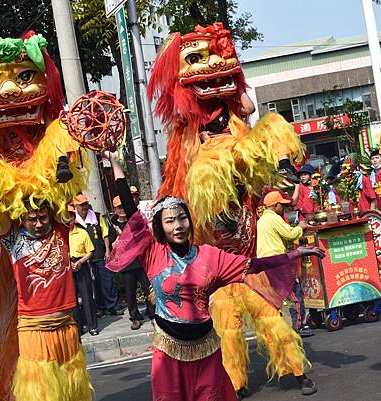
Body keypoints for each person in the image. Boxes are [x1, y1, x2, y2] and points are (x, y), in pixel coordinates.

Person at [105, 151, 325, 401]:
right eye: (169, 221)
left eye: (181, 219)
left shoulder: (210, 256)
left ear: (190, 220)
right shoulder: (153, 253)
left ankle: (297, 372)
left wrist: (294, 254)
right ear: (160, 227)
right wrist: (115, 164)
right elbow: (133, 215)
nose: (177, 226)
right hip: (168, 352)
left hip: (206, 349)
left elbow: (253, 265)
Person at [0, 201, 92, 400]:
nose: (39, 224)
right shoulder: (13, 238)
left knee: (70, 386)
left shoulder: (60, 230)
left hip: (66, 324)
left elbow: (63, 195)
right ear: (21, 219)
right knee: (40, 389)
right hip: (33, 327)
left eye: (43, 218)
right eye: (32, 220)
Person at [258, 190, 315, 339]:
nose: (283, 208)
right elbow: (290, 234)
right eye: (281, 205)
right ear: (275, 205)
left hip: (265, 263)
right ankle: (300, 326)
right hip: (278, 262)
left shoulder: (261, 220)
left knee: (276, 298)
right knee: (294, 293)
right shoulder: (273, 219)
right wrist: (301, 227)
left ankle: (276, 329)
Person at [73, 194, 123, 317]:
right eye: (81, 205)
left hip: (99, 253)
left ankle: (113, 306)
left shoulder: (96, 216)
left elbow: (105, 234)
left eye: (85, 204)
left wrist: (107, 250)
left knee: (106, 280)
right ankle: (100, 307)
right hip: (83, 257)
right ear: (76, 207)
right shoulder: (73, 219)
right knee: (92, 283)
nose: (84, 207)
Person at [111, 195, 154, 330]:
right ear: (115, 209)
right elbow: (113, 247)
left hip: (140, 262)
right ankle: (135, 317)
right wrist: (119, 236)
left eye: (123, 206)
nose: (122, 209)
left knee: (149, 289)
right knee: (130, 293)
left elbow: (144, 237)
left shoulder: (135, 222)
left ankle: (153, 314)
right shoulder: (113, 226)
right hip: (126, 264)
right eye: (119, 207)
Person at [68, 204, 98, 336]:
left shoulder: (82, 232)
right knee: (72, 299)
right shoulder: (60, 234)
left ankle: (92, 326)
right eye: (65, 217)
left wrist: (80, 262)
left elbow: (90, 250)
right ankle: (78, 328)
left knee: (87, 297)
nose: (67, 220)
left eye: (69, 217)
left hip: (81, 264)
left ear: (74, 218)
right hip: (67, 267)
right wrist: (69, 263)